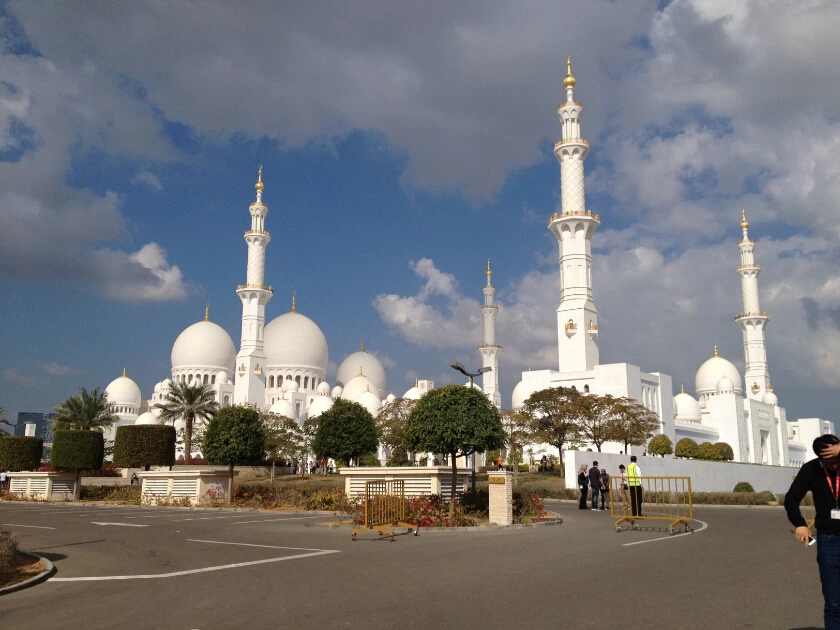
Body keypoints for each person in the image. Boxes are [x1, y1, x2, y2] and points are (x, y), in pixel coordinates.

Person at [786, 434, 840, 629]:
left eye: (835, 459)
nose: (833, 465)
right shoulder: (811, 469)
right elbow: (792, 498)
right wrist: (799, 523)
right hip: (829, 542)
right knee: (834, 603)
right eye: (827, 461)